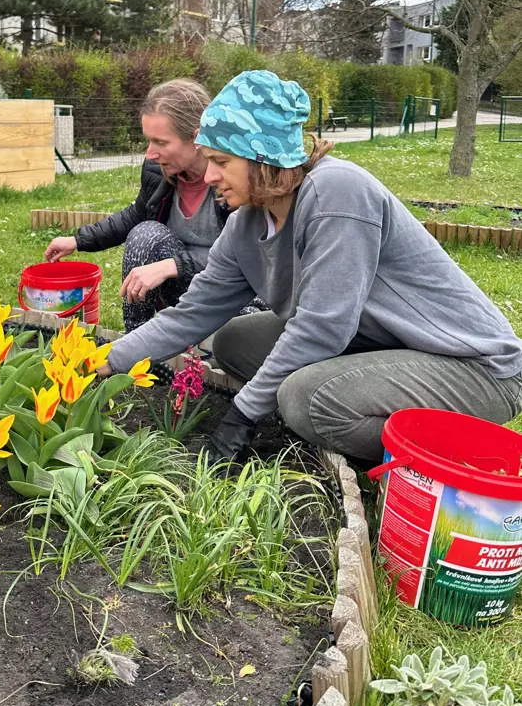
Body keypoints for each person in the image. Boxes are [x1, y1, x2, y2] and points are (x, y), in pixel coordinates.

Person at [100, 70, 522, 463]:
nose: (208, 176)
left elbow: (322, 329)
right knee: (233, 341)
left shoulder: (337, 192)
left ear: (262, 158)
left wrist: (242, 416)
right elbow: (193, 313)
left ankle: (442, 456)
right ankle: (359, 400)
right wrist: (106, 360)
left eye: (222, 162)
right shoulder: (247, 222)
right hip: (382, 346)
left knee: (306, 401)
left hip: (472, 367)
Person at [44, 79, 232, 331]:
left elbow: (245, 256)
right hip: (184, 289)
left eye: (161, 142)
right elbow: (136, 215)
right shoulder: (158, 170)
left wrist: (173, 265)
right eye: (149, 140)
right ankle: (136, 341)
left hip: (232, 296)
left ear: (197, 138)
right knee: (145, 234)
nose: (150, 153)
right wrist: (78, 240)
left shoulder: (232, 177)